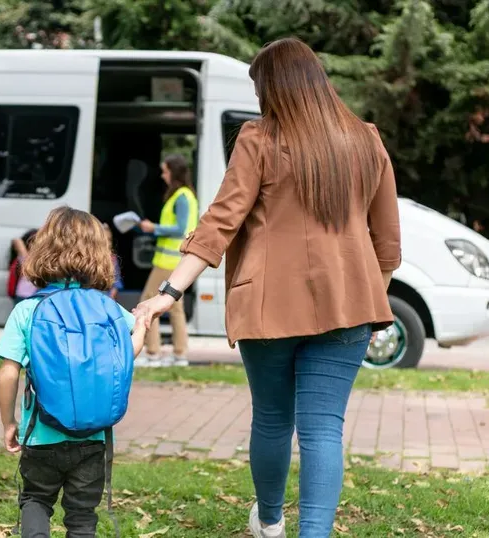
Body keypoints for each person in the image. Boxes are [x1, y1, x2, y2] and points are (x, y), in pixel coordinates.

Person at [134, 38, 401, 538]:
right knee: (324, 430)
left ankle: (271, 523)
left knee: (274, 420)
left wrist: (168, 291)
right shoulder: (367, 140)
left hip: (267, 309)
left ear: (275, 87)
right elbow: (387, 244)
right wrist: (367, 301)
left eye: (261, 88)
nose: (259, 101)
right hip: (350, 308)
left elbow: (220, 223)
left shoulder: (258, 139)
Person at [0, 207, 149, 538]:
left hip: (40, 434)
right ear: (99, 254)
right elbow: (128, 351)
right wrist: (143, 327)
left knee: (35, 499)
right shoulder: (109, 308)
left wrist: (10, 422)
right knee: (81, 515)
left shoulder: (28, 310)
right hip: (93, 437)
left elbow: (9, 372)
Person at [136, 154, 197, 368]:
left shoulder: (180, 196)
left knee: (148, 300)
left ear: (174, 172)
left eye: (165, 170)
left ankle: (153, 353)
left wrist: (153, 228)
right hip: (176, 260)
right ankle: (180, 354)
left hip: (167, 262)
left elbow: (179, 229)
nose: (162, 175)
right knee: (175, 307)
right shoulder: (186, 195)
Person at [8, 229, 39, 304]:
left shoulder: (38, 260)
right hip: (24, 296)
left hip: (30, 296)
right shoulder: (25, 259)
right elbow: (16, 241)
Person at [104, 223, 124, 301]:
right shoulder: (89, 259)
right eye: (103, 240)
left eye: (109, 239)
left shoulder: (113, 259)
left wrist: (111, 297)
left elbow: (116, 281)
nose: (107, 243)